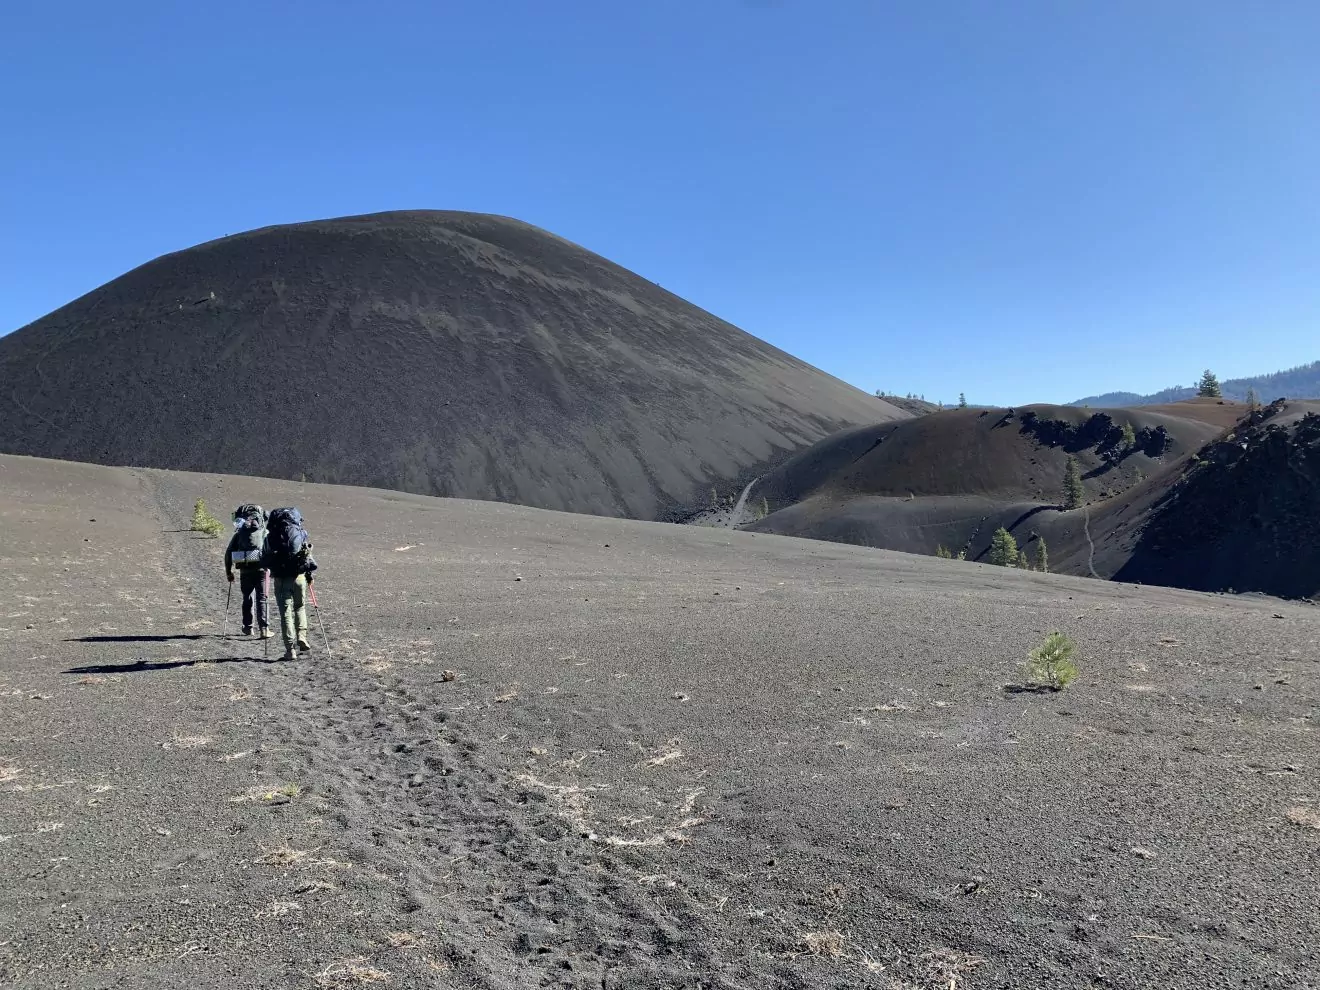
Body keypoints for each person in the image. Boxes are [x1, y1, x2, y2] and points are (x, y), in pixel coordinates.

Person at [262, 507, 318, 661]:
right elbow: (307, 556)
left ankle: (290, 650)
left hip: (281, 579)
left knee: (285, 613)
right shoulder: (299, 533)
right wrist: (309, 575)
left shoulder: (270, 537)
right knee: (300, 607)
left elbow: (264, 558)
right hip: (298, 577)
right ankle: (302, 635)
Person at [225, 504, 272, 638]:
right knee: (262, 598)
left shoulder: (239, 534)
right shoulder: (264, 532)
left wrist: (228, 572)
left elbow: (228, 554)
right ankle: (264, 629)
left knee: (247, 597)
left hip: (245, 570)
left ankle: (248, 627)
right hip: (262, 570)